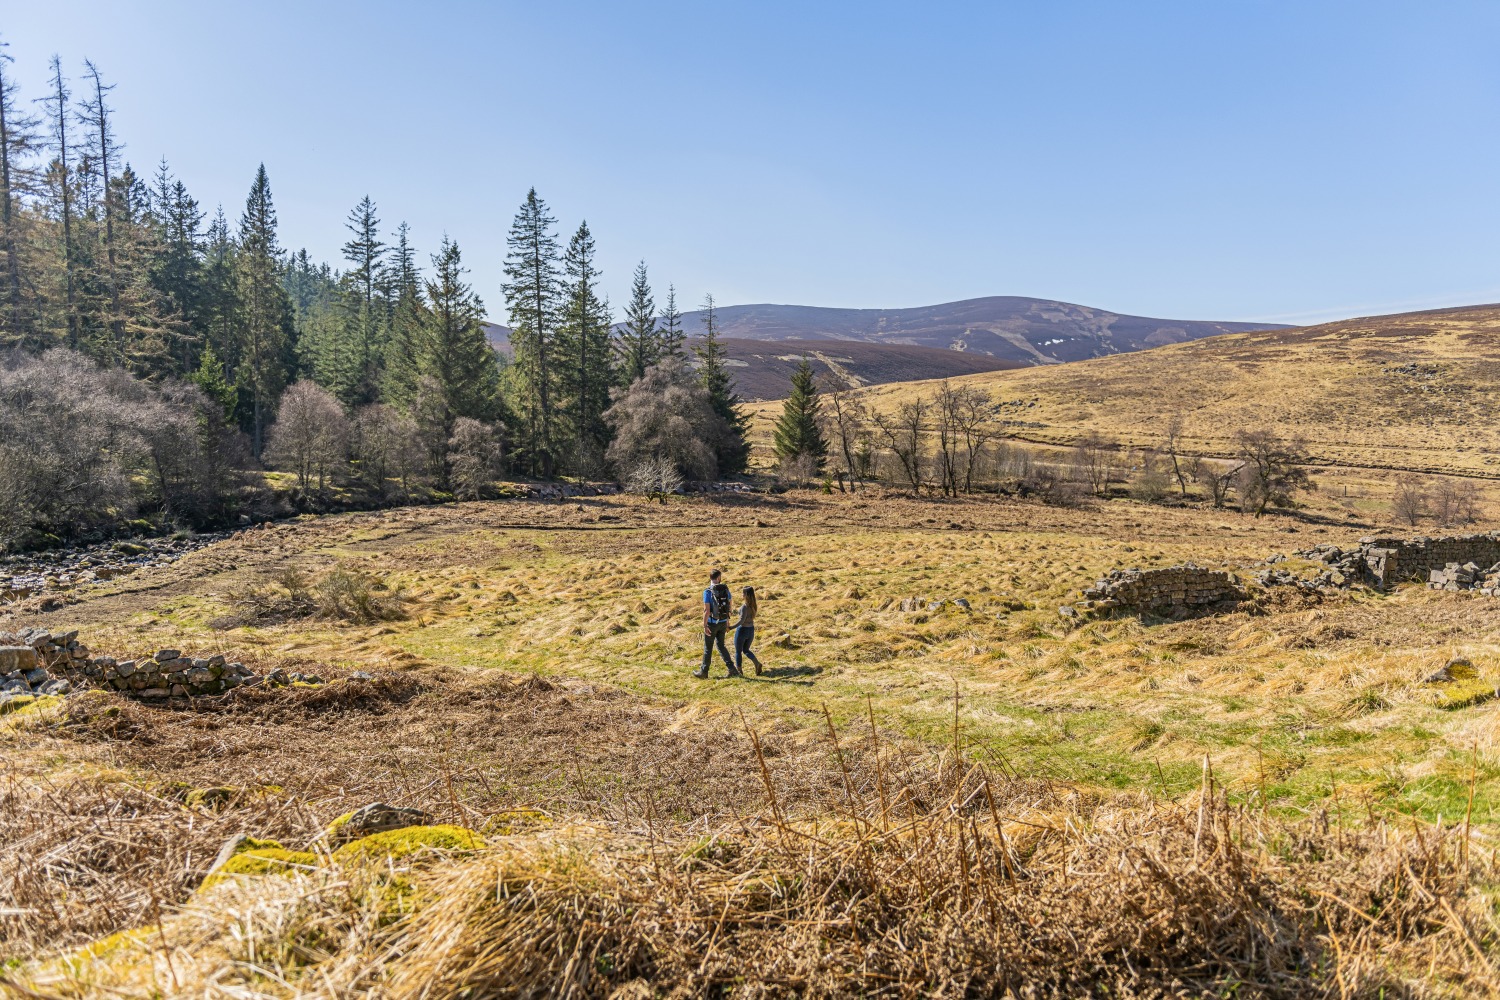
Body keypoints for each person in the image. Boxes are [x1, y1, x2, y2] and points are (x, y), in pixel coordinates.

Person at [694, 568, 740, 679]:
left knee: (708, 648)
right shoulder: (726, 590)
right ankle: (732, 669)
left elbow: (707, 610)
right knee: (721, 645)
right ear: (718, 577)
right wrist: (728, 622)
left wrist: (705, 626)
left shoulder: (707, 591)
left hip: (712, 623)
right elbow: (729, 607)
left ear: (710, 577)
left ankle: (704, 672)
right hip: (723, 622)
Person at [734, 585, 763, 676]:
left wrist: (731, 627)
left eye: (743, 593)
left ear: (746, 595)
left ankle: (739, 671)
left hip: (742, 630)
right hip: (751, 630)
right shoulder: (753, 605)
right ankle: (757, 663)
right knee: (746, 650)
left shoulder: (744, 607)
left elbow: (741, 620)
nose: (742, 595)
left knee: (738, 651)